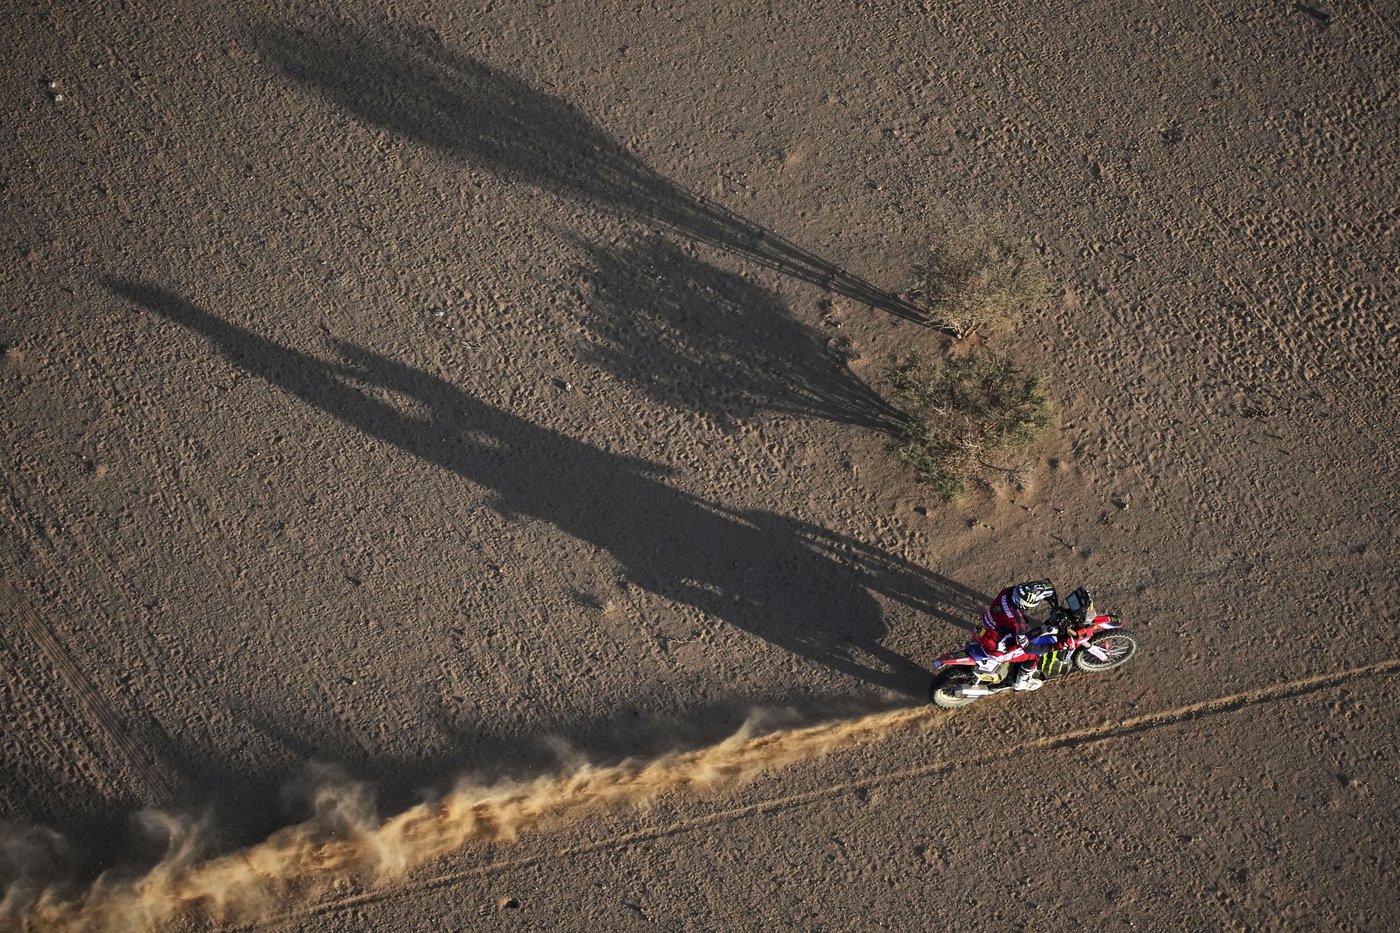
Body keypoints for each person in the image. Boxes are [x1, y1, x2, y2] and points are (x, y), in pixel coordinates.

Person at [972, 580, 1093, 691]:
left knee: (1029, 629)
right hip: (995, 649)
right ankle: (1022, 683)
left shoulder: (1006, 593)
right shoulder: (1017, 623)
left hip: (984, 629)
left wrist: (1045, 590)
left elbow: (1026, 589)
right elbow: (1028, 648)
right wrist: (1058, 645)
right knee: (1033, 656)